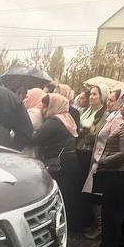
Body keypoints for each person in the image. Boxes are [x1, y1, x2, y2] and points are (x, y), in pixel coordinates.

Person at [92, 91, 124, 247]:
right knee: (109, 212)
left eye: (123, 103)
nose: (120, 106)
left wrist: (104, 161)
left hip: (121, 174)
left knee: (113, 213)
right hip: (117, 173)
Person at [31, 93, 80, 228]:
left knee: (56, 195)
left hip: (58, 163)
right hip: (69, 160)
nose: (42, 110)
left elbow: (34, 140)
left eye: (45, 106)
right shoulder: (67, 118)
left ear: (53, 106)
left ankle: (56, 225)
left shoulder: (54, 121)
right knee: (66, 194)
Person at [82, 89, 124, 240]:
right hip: (98, 161)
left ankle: (100, 228)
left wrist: (104, 160)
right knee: (93, 194)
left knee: (98, 196)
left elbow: (112, 142)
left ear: (120, 102)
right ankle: (97, 225)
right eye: (109, 99)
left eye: (112, 100)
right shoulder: (111, 116)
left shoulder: (119, 119)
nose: (109, 102)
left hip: (104, 162)